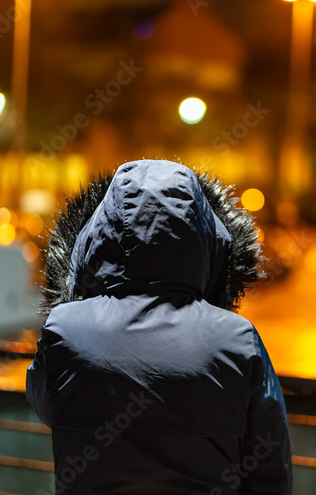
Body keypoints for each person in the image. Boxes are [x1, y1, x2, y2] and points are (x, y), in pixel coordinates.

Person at [26, 159, 293, 495]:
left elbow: (48, 405)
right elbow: (270, 465)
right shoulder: (238, 339)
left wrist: (75, 291)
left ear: (100, 232)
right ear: (203, 238)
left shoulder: (64, 330)